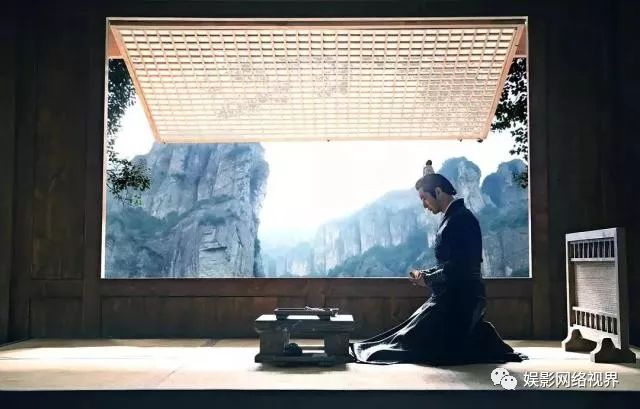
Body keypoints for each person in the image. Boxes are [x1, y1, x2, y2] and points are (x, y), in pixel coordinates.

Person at [349, 162, 528, 365]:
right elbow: (450, 264)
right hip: (449, 297)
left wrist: (427, 279)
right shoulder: (453, 218)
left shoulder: (462, 220)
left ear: (438, 191)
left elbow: (460, 267)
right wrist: (426, 275)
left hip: (461, 301)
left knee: (410, 343)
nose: (424, 205)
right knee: (403, 333)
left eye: (424, 198)